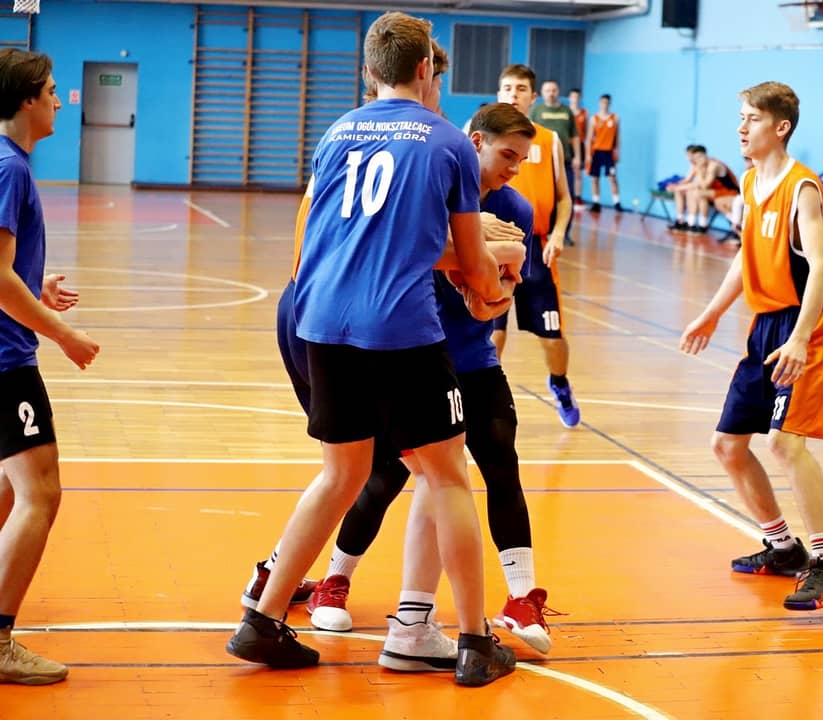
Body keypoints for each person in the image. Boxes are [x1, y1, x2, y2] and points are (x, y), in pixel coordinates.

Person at [224, 12, 516, 687]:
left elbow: (336, 235)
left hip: (321, 320)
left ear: (367, 71)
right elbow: (472, 262)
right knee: (447, 475)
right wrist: (496, 288)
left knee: (341, 474)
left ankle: (261, 619)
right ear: (425, 68)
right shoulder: (447, 141)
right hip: (399, 329)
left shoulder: (336, 132)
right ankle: (475, 642)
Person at [303, 103, 559, 664]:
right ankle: (334, 580)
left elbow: (498, 293)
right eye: (507, 155)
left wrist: (491, 284)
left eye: (522, 159)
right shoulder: (428, 186)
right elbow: (410, 255)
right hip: (412, 354)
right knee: (384, 476)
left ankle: (522, 598)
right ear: (476, 143)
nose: (515, 168)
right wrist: (473, 255)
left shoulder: (515, 207)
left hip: (472, 357)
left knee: (500, 457)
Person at [679, 81, 823, 612]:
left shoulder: (802, 188)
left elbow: (821, 269)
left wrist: (800, 338)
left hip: (807, 328)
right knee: (727, 445)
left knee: (784, 444)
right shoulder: (753, 181)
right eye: (740, 117)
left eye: (751, 118)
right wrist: (713, 311)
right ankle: (783, 548)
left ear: (780, 127)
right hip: (765, 327)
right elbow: (746, 255)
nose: (741, 127)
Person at [0, 48, 100, 686]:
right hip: (6, 360)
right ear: (27, 98)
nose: (60, 100)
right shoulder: (9, 169)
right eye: (53, 90)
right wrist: (62, 334)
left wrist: (35, 285)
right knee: (41, 492)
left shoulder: (8, 162)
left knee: (11, 488)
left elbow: (7, 272)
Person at [491, 64, 581, 429]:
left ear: (532, 97)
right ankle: (486, 397)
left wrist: (558, 233)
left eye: (521, 89)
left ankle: (559, 383)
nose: (513, 94)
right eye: (508, 88)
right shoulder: (477, 135)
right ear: (499, 93)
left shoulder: (548, 140)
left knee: (552, 338)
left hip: (536, 251)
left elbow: (564, 198)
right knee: (492, 334)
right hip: (492, 247)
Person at [530, 80, 580, 246]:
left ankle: (564, 233)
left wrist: (578, 156)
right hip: (542, 163)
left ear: (558, 92)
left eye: (554, 90)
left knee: (566, 196)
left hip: (565, 161)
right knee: (545, 198)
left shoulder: (567, 111)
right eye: (547, 90)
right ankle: (543, 230)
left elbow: (574, 136)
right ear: (542, 93)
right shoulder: (536, 111)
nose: (551, 93)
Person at [585, 94, 622, 213]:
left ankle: (617, 203)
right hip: (596, 151)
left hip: (609, 152)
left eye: (606, 102)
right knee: (595, 178)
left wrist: (617, 151)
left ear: (609, 104)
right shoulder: (594, 119)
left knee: (612, 178)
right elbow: (589, 138)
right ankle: (596, 202)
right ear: (599, 103)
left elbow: (618, 136)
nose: (604, 105)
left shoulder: (615, 118)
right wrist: (588, 155)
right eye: (602, 102)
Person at [568, 88, 588, 208]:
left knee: (578, 173)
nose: (575, 99)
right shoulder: (566, 112)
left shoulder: (584, 113)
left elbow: (586, 132)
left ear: (580, 98)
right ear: (570, 98)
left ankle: (577, 197)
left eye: (577, 97)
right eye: (573, 96)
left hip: (579, 145)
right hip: (567, 144)